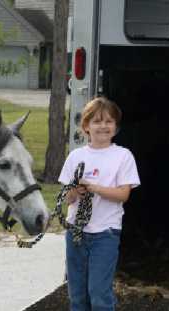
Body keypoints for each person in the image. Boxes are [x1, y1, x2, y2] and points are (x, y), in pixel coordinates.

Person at [58, 96, 140, 311]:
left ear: (116, 126)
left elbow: (123, 194)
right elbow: (68, 198)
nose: (103, 126)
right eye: (97, 121)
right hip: (76, 232)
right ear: (86, 126)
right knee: (77, 294)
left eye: (109, 121)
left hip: (106, 233)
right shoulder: (75, 156)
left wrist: (94, 188)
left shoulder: (123, 156)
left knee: (99, 294)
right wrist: (76, 190)